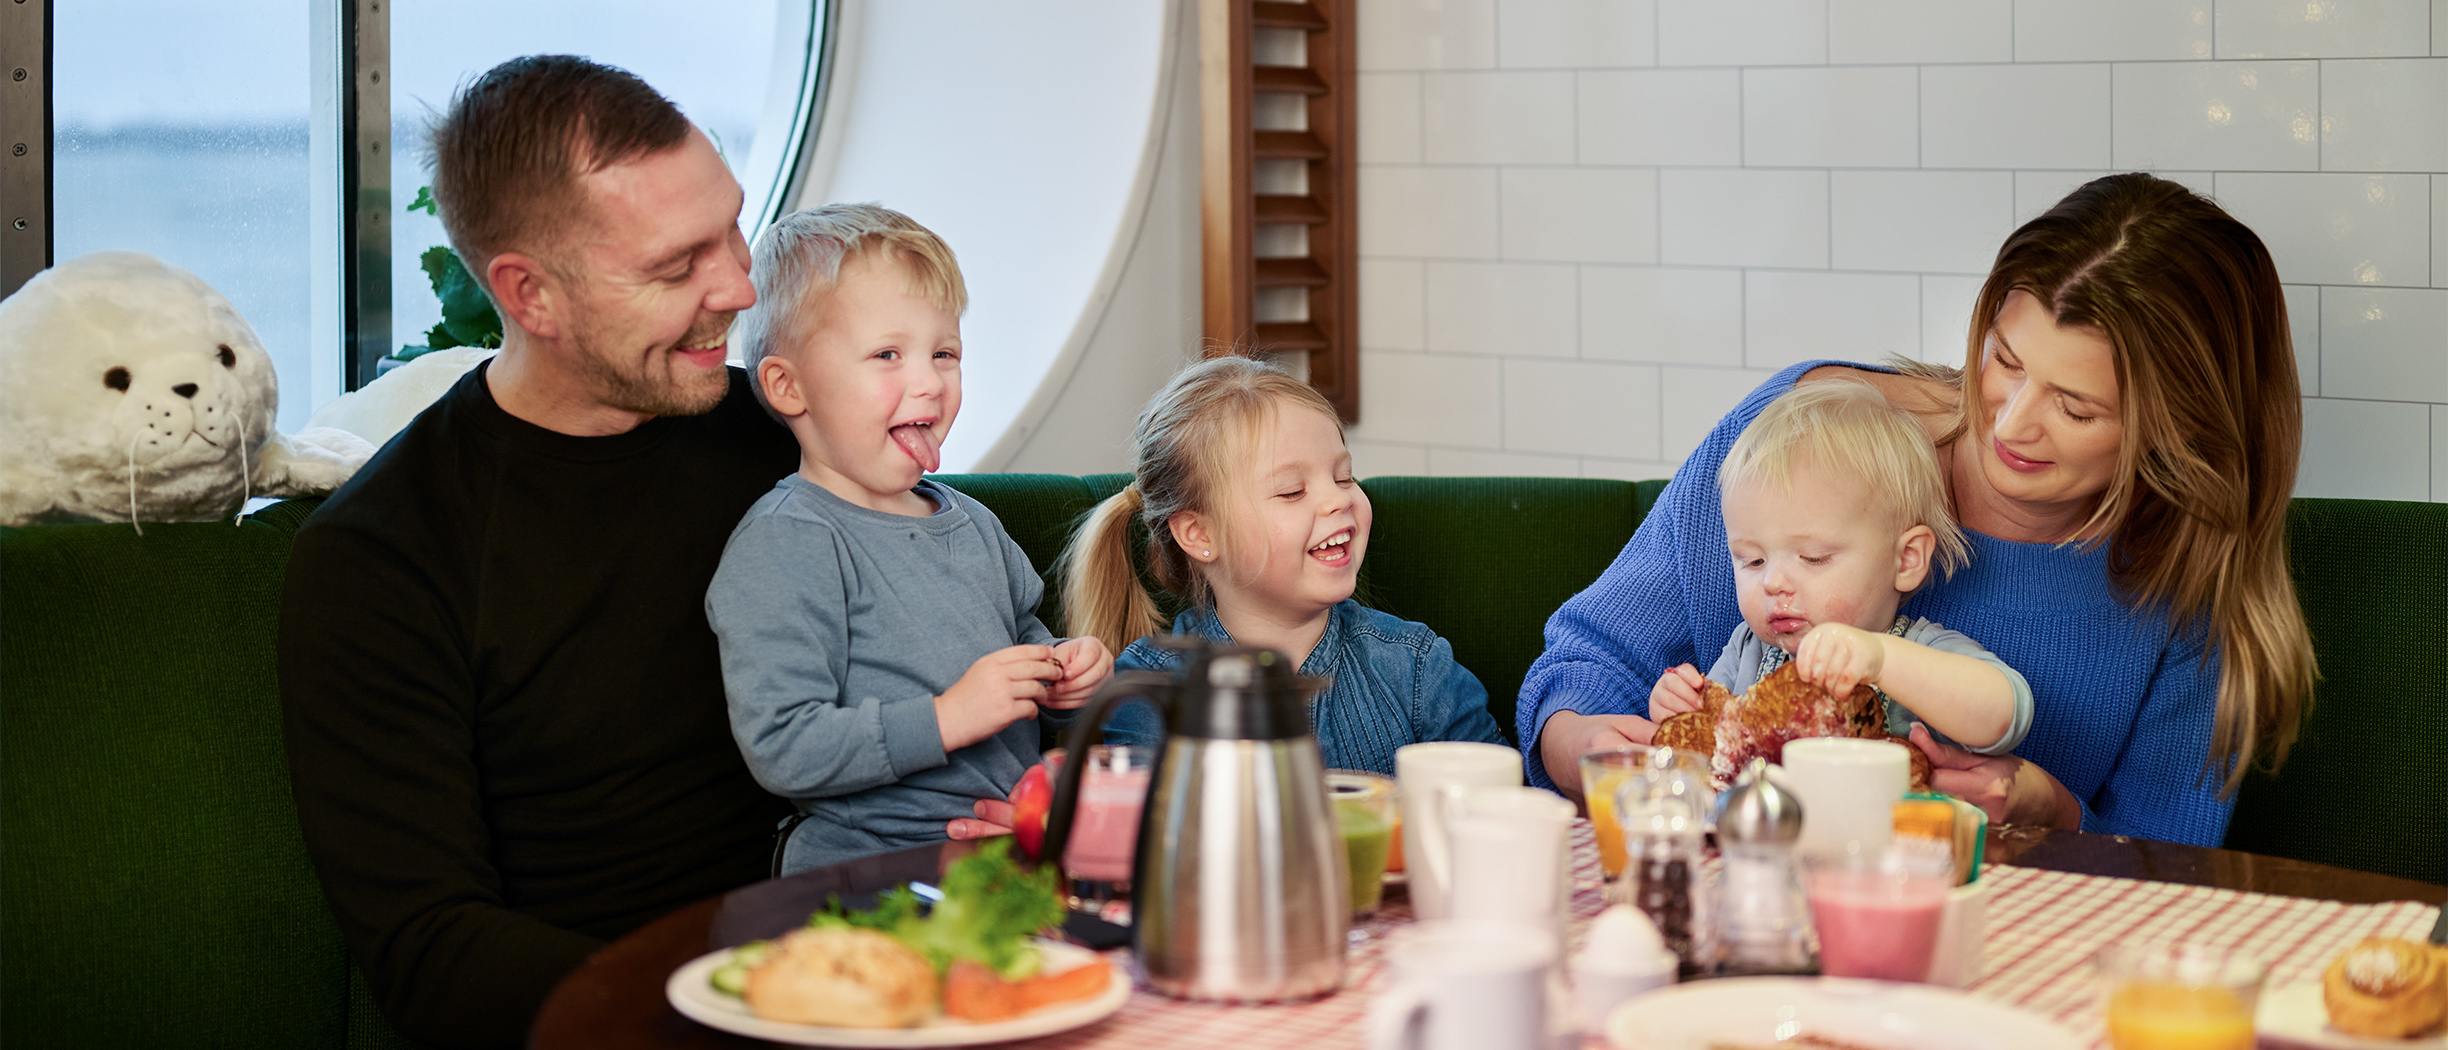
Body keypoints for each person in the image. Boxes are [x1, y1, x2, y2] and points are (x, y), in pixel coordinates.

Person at [1520, 173, 2315, 848]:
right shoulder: (1809, 434)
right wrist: (1582, 743)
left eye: (2074, 409)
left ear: (2178, 431)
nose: (2010, 424)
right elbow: (1591, 660)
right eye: (2004, 361)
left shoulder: (2188, 577)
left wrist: (2049, 808)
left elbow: (2168, 865)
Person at [278, 57, 802, 1047]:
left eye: (731, 226)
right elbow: (436, 948)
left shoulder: (786, 434)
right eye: (675, 265)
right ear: (532, 296)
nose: (739, 283)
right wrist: (760, 1006)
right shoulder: (382, 557)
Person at [706, 203, 1112, 873]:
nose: (929, 381)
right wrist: (949, 716)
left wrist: (1064, 674)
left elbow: (1025, 651)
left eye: (944, 352)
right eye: (887, 355)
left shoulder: (974, 523)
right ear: (788, 386)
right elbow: (782, 746)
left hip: (1003, 859)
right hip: (862, 873)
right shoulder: (787, 544)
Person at [1058, 355, 1507, 775]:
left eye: (1344, 476)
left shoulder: (1416, 667)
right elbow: (1148, 840)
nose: (1339, 499)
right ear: (1199, 535)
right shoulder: (1152, 687)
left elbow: (1501, 808)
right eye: (1292, 491)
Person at [1649, 379, 2033, 764]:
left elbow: (2006, 717)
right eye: (1753, 560)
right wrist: (1679, 703)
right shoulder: (1748, 651)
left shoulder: (1921, 651)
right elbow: (1706, 744)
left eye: (1813, 557)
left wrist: (1881, 660)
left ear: (1907, 560)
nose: (1772, 582)